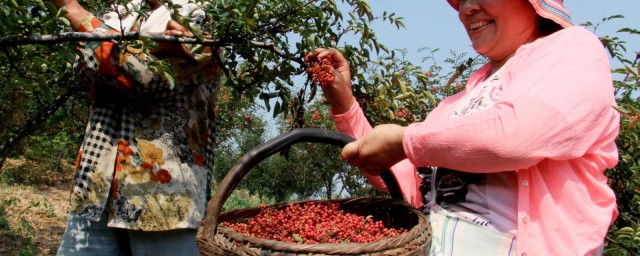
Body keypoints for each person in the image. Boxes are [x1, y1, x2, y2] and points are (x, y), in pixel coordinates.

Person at [306, 0, 619, 255]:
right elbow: (409, 185)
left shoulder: (573, 50)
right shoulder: (457, 104)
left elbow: (518, 136)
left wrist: (406, 141)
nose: (466, 8)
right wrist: (345, 104)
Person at [51, 0, 222, 255]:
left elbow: (145, 79)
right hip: (97, 182)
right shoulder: (124, 14)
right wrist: (148, 46)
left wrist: (75, 12)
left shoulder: (202, 16)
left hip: (160, 197)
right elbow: (82, 70)